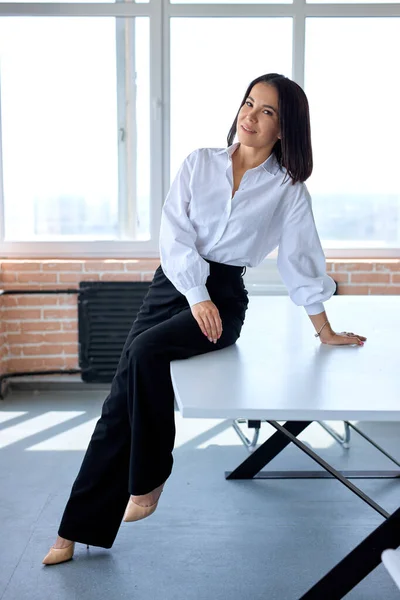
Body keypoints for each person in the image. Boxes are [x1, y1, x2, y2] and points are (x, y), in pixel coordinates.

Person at [42, 72, 367, 565]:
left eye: (267, 111)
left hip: (225, 296)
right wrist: (194, 294)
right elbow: (173, 235)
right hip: (172, 285)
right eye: (248, 103)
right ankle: (73, 530)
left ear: (285, 128)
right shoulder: (200, 162)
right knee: (119, 401)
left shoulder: (288, 189)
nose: (250, 116)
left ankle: (150, 476)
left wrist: (325, 330)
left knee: (146, 352)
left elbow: (300, 260)